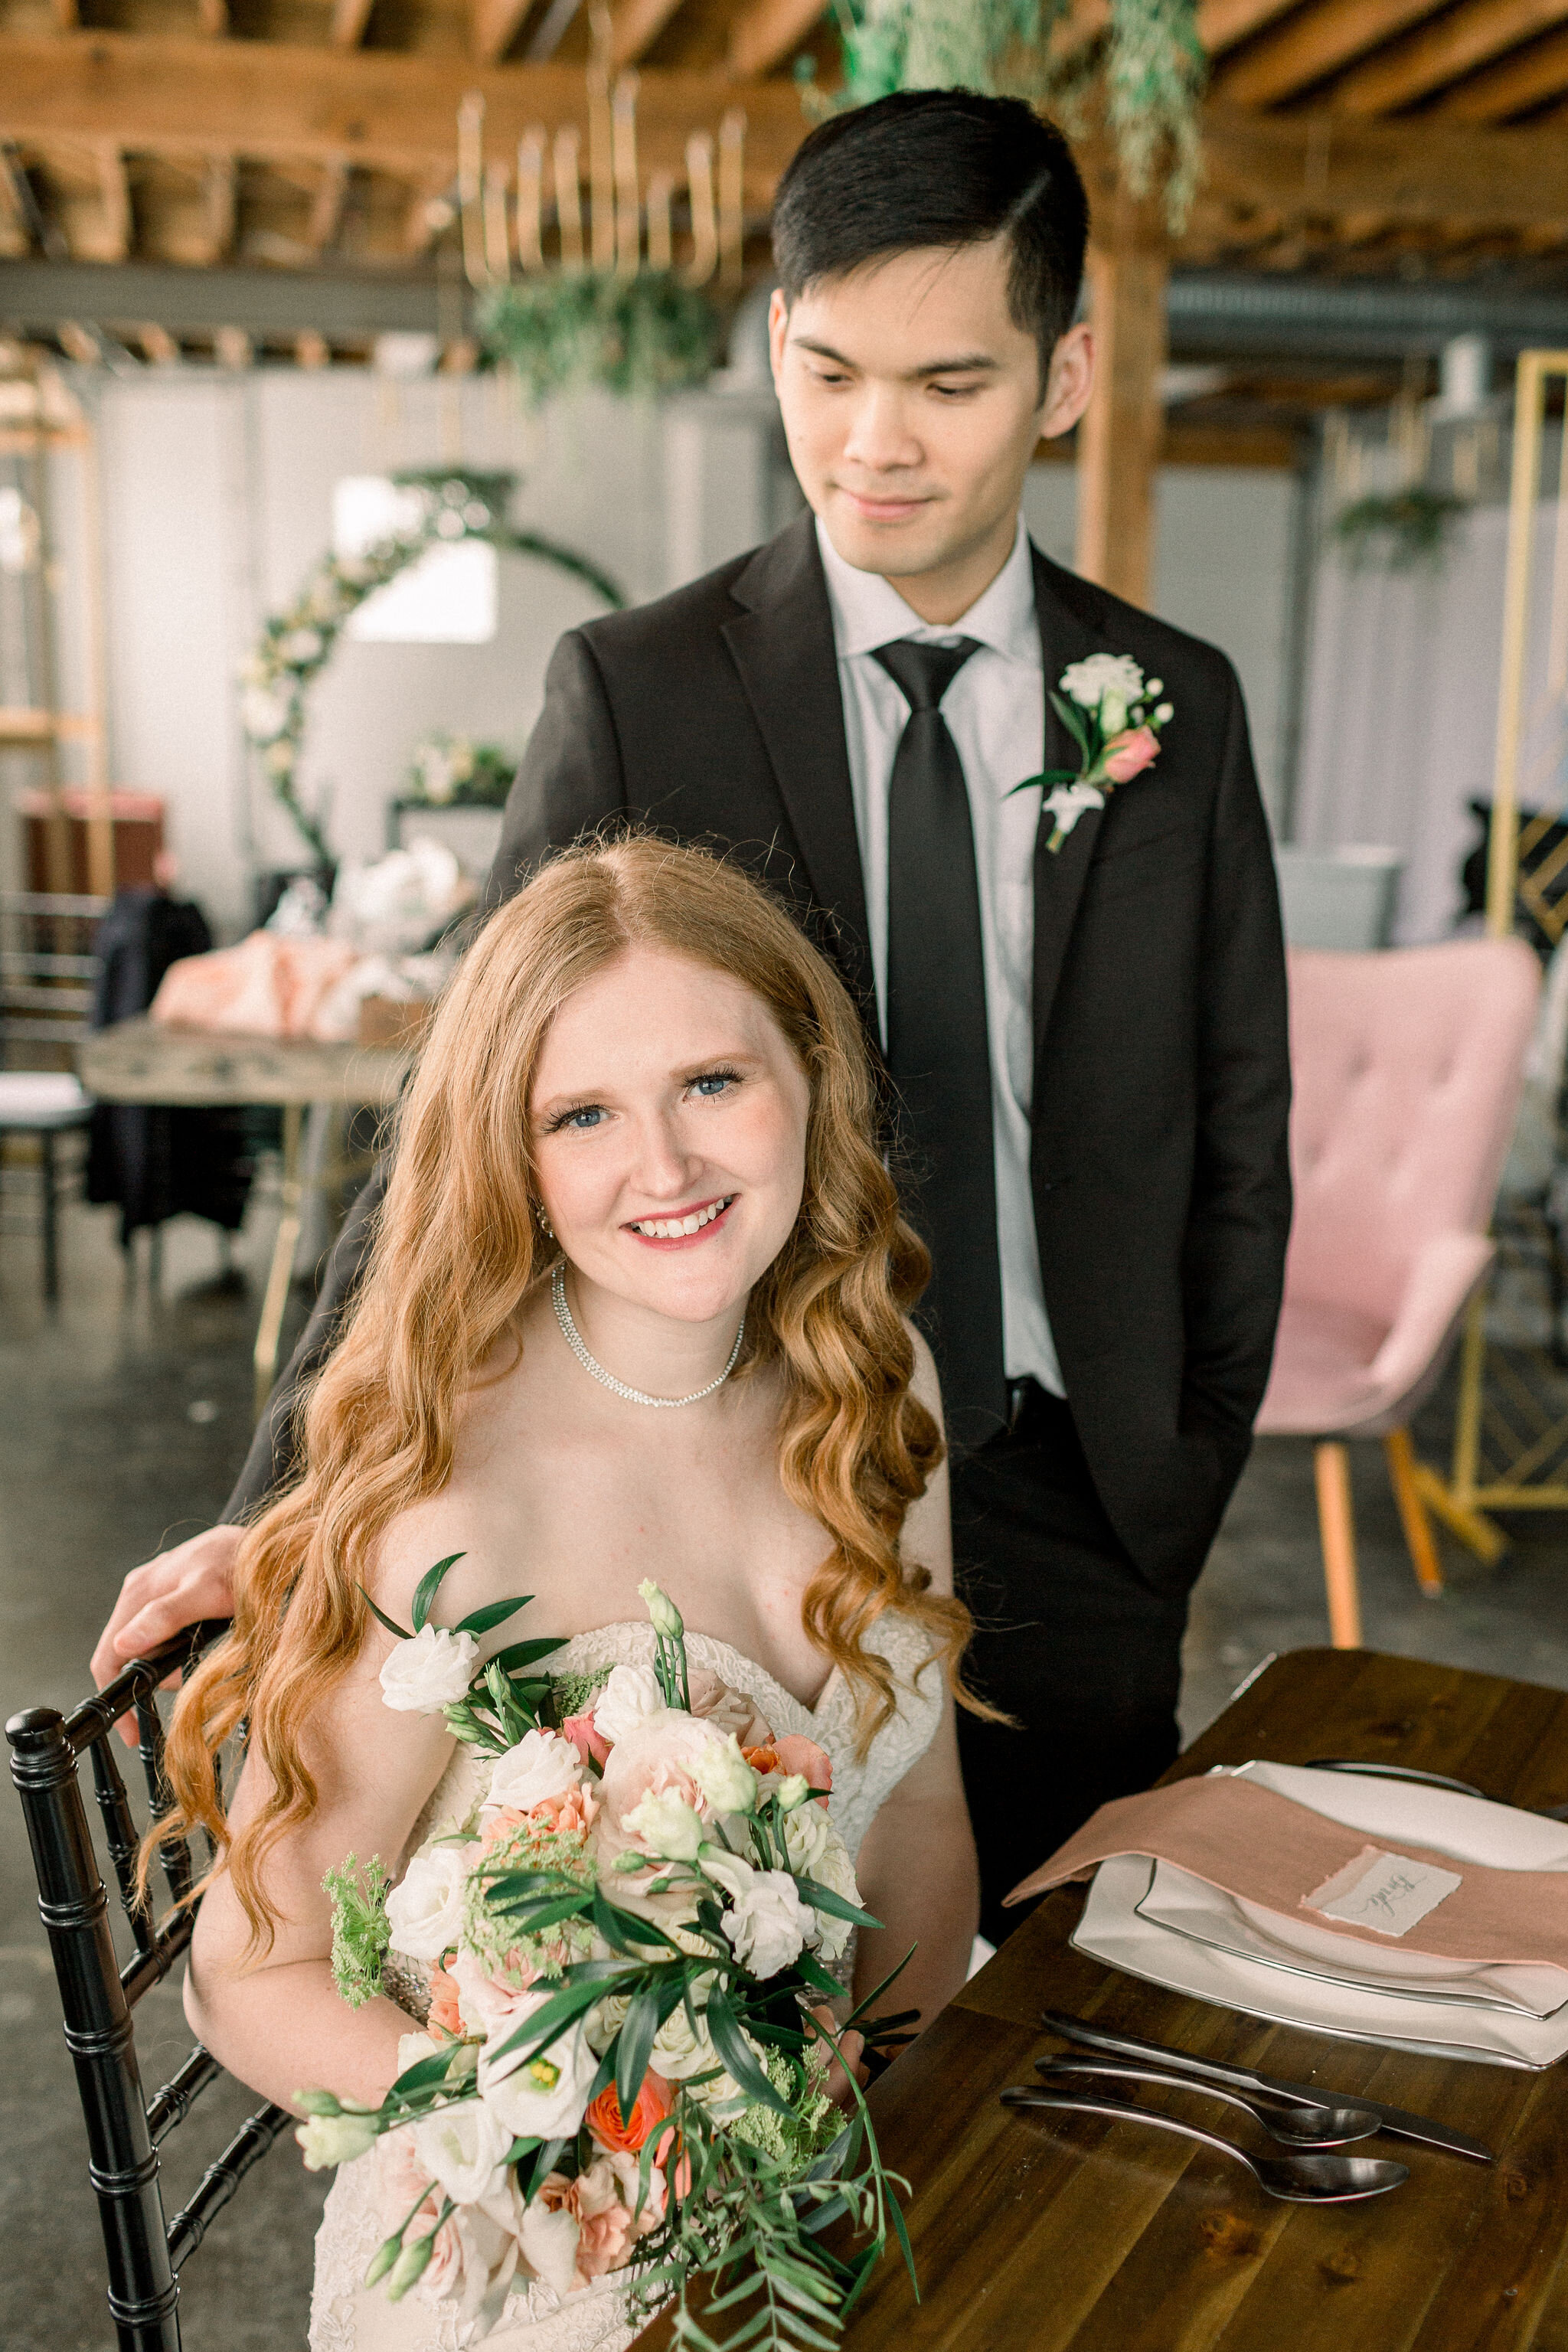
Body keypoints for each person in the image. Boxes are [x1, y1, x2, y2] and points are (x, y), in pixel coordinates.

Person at [95, 89, 1291, 1947]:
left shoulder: (1174, 711)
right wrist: (292, 1504)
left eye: (948, 387)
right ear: (773, 344)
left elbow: (1236, 1130)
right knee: (760, 1995)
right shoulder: (641, 687)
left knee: (1038, 2046)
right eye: (826, 374)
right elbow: (461, 1120)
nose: (871, 444)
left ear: (1064, 375)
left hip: (1081, 1494)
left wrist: (1179, 1470)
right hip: (756, 1477)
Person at [158, 838, 979, 2350]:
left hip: (833, 2200)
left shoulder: (875, 1383)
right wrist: (565, 2143)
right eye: (583, 1114)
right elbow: (249, 1971)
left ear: (810, 1077)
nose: (661, 1170)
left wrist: (889, 2121)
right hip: (536, 2250)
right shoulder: (454, 1496)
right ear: (512, 1154)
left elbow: (918, 1816)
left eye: (711, 1085)